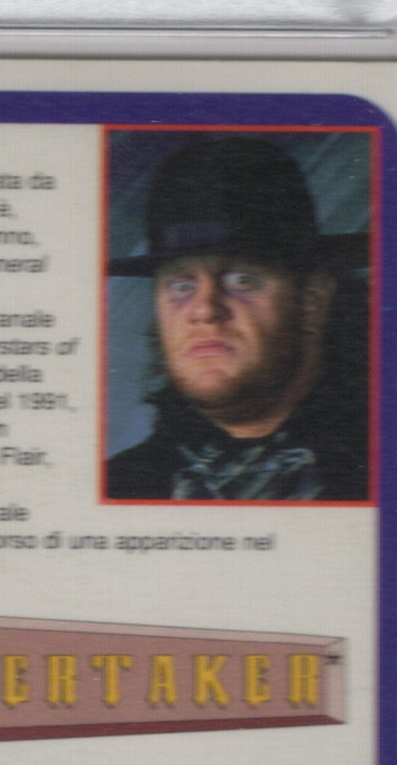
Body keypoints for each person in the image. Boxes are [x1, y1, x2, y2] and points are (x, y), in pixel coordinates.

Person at [106, 134, 369, 501]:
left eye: (241, 280)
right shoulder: (120, 486)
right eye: (182, 285)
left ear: (312, 300)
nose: (205, 310)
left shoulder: (390, 470)